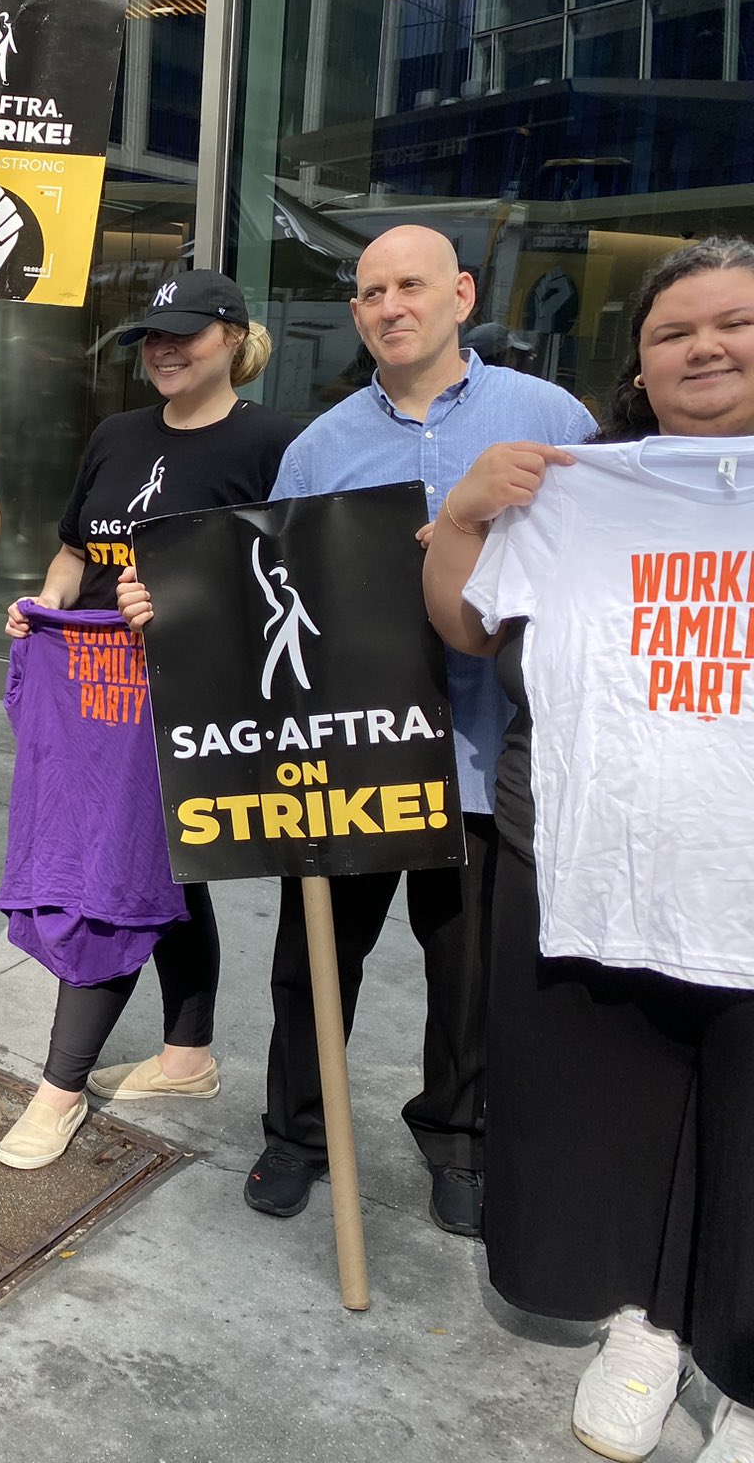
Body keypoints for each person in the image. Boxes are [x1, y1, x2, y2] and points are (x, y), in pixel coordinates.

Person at [118, 224, 596, 1235]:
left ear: (459, 295)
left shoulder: (546, 417)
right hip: (346, 760)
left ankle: (457, 1146)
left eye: (410, 286)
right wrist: (171, 603)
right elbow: (266, 594)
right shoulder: (320, 445)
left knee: (466, 978)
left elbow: (595, 573)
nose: (389, 306)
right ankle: (294, 1133)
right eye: (371, 291)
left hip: (481, 757)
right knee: (312, 964)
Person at [424, 237, 754, 1463]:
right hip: (601, 852)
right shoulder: (579, 487)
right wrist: (464, 508)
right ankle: (644, 1322)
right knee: (609, 1099)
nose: (703, 349)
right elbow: (464, 622)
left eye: (732, 324)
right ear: (638, 365)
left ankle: (744, 1363)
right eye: (671, 334)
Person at [0, 271, 295, 1168]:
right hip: (90, 694)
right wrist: (40, 608)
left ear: (234, 337)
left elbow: (287, 586)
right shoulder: (118, 434)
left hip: (187, 699)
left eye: (185, 335)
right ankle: (189, 1055)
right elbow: (74, 550)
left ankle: (60, 1087)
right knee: (174, 870)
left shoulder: (275, 443)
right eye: (150, 339)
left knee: (116, 875)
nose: (163, 351)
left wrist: (186, 607)